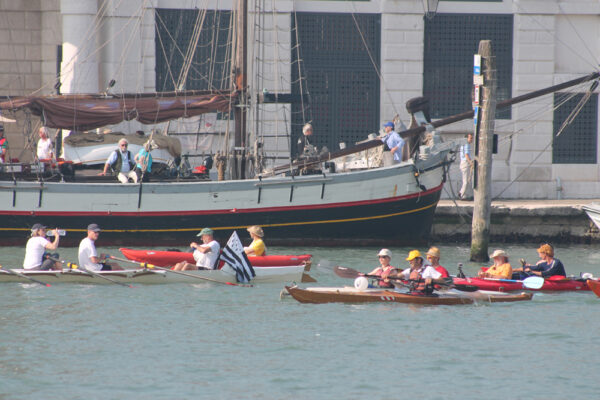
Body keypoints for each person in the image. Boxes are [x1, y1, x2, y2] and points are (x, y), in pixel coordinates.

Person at [459, 133, 474, 200]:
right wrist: (471, 163)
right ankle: (463, 195)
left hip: (463, 163)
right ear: (466, 139)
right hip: (465, 163)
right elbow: (466, 155)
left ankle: (461, 192)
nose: (471, 140)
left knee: (465, 180)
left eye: (472, 138)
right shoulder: (467, 145)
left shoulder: (462, 145)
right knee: (466, 181)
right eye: (470, 138)